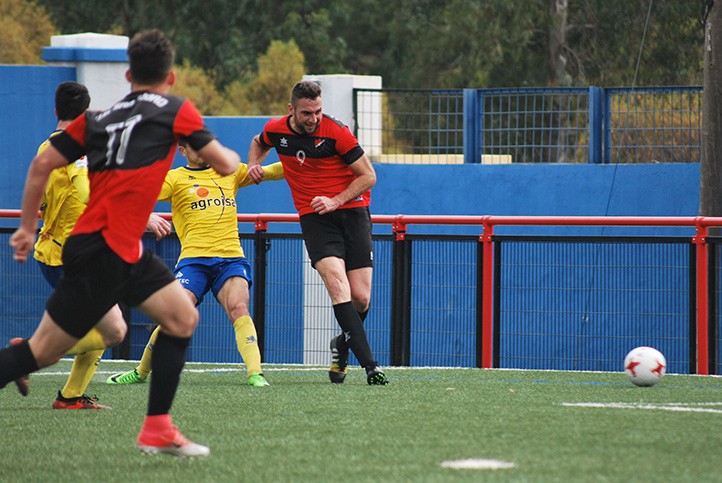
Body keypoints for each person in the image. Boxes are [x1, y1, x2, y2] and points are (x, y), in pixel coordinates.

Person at [0, 29, 239, 457]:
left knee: (181, 318)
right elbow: (223, 164)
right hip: (107, 251)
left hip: (106, 247)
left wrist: (24, 226)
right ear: (171, 77)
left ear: (129, 74)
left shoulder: (98, 119)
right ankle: (156, 427)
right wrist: (237, 161)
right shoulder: (175, 109)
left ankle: (158, 428)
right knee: (41, 353)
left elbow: (41, 164)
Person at [29, 81, 172, 410]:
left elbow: (47, 197)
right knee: (114, 328)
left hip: (57, 251)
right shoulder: (75, 149)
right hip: (73, 255)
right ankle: (25, 355)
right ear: (87, 115)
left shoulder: (45, 147)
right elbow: (84, 192)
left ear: (56, 111)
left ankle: (70, 396)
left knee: (102, 325)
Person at [106, 139, 283, 387]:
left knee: (239, 308)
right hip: (193, 261)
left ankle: (255, 374)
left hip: (230, 258)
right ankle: (140, 372)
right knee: (174, 316)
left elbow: (271, 172)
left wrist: (301, 160)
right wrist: (146, 217)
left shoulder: (228, 171)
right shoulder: (174, 179)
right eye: (195, 146)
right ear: (182, 151)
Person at [247, 80, 389, 386]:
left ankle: (341, 345)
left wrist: (335, 200)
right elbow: (259, 141)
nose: (313, 119)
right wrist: (253, 164)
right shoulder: (277, 129)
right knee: (339, 286)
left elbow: (369, 176)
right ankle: (370, 366)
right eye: (306, 113)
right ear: (291, 110)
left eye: (318, 112)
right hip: (315, 217)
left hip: (352, 211)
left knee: (361, 298)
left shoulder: (337, 132)